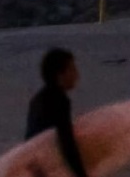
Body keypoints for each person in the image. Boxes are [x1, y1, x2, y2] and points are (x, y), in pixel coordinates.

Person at [26, 48, 88, 177]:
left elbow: (29, 139)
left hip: (36, 167)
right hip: (46, 167)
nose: (77, 75)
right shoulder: (59, 100)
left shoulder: (38, 99)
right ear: (60, 75)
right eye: (72, 69)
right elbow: (66, 141)